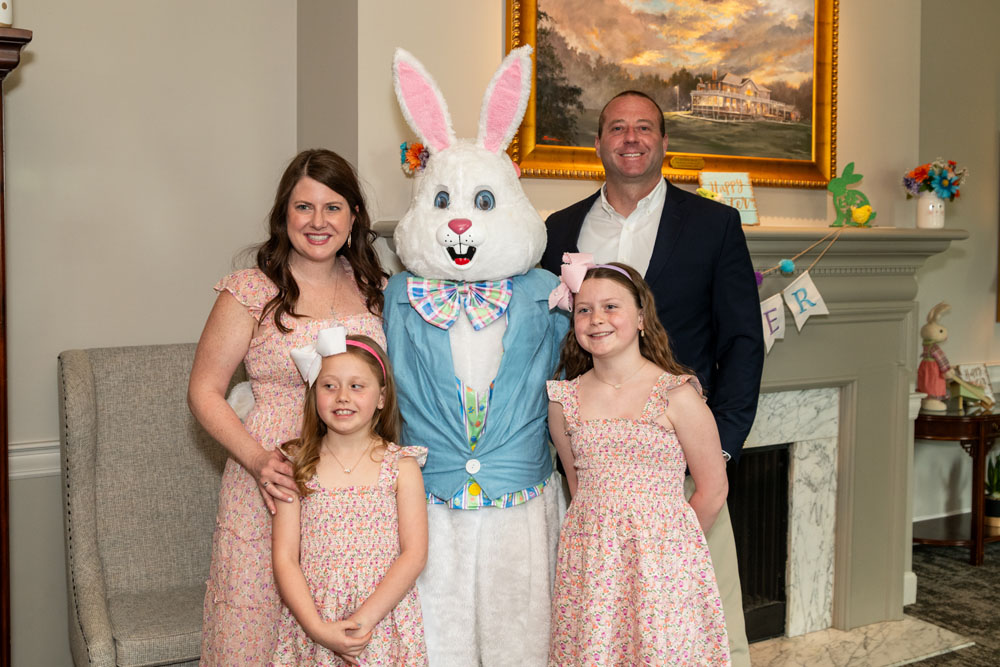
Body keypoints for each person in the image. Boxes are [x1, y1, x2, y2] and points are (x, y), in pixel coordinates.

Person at [540, 90, 764, 666]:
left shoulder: (714, 224)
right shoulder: (560, 228)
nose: (631, 138)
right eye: (617, 127)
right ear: (598, 144)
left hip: (681, 461)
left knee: (699, 626)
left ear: (664, 141)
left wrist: (718, 449)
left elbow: (742, 341)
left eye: (644, 127)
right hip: (599, 454)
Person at [188, 149, 388, 664]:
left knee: (345, 616)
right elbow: (204, 391)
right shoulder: (250, 292)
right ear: (284, 215)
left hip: (354, 484)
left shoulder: (376, 290)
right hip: (272, 479)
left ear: (354, 217)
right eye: (304, 207)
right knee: (257, 621)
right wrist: (258, 462)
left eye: (333, 207)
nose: (318, 222)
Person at [546, 262, 730, 665]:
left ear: (642, 318)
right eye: (584, 310)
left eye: (611, 306)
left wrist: (669, 548)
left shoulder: (676, 395)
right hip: (593, 562)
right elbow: (577, 486)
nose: (597, 319)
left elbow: (713, 489)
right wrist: (602, 543)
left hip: (662, 562)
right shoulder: (563, 401)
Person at [270, 330, 428, 666]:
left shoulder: (401, 466)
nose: (342, 397)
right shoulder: (295, 465)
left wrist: (361, 623)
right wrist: (318, 629)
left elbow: (414, 554)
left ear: (381, 397)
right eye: (329, 386)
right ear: (314, 394)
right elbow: (285, 559)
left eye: (357, 386)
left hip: (380, 621)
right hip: (315, 620)